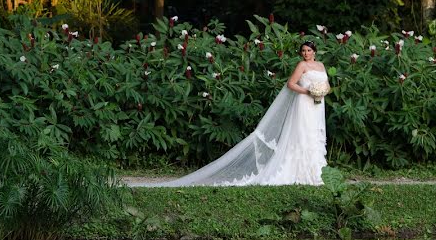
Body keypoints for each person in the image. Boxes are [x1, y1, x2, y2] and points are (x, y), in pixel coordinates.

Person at [136, 41, 330, 187]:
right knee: (302, 133)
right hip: (304, 103)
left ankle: (315, 171)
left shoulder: (320, 66)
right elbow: (291, 84)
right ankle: (299, 171)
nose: (306, 53)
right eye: (303, 51)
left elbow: (327, 84)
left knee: (315, 134)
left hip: (317, 105)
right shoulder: (301, 66)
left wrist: (322, 91)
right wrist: (308, 92)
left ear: (314, 52)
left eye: (309, 50)